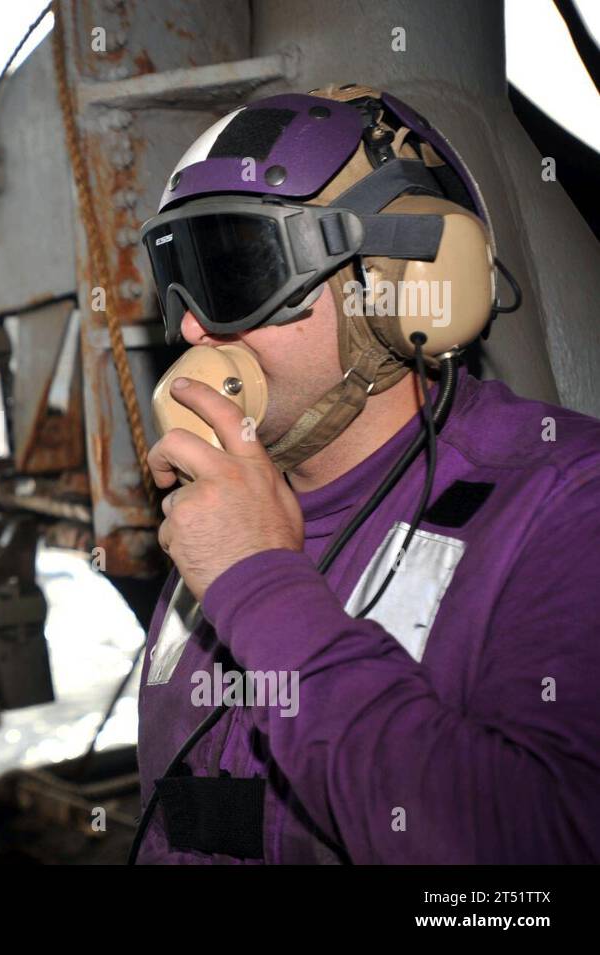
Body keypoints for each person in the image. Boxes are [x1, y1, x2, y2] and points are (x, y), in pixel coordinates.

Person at [131, 84, 600, 864]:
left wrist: (259, 584)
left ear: (395, 290)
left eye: (236, 266)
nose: (189, 323)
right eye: (176, 270)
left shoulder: (566, 505)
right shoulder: (219, 508)